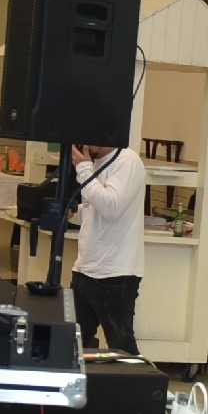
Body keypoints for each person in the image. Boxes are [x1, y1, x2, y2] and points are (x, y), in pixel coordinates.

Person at [69, 142, 145, 353]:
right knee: (73, 343)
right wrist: (72, 214)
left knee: (121, 346)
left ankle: (134, 377)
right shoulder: (95, 163)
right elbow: (95, 210)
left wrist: (83, 169)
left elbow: (111, 207)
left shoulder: (127, 162)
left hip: (115, 273)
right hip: (84, 269)